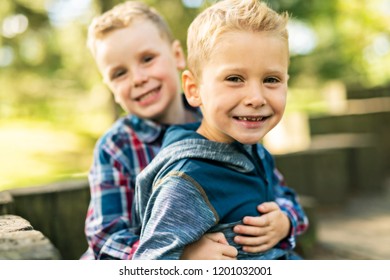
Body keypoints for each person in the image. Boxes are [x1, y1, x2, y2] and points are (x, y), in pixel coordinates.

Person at [83, 0, 308, 260]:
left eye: (147, 59)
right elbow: (105, 236)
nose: (138, 78)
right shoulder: (116, 147)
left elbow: (277, 191)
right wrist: (183, 254)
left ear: (177, 55)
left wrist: (285, 221)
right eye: (120, 73)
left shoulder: (232, 120)